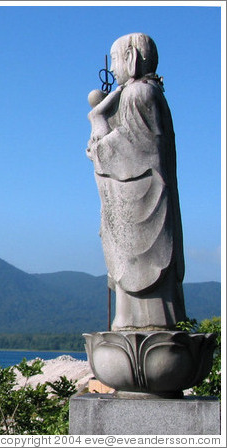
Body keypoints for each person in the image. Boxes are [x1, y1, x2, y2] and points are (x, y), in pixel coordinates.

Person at [86, 33, 186, 331]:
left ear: (130, 59)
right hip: (141, 194)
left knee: (138, 269)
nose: (113, 68)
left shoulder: (137, 95)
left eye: (115, 60)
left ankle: (144, 323)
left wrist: (97, 121)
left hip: (142, 196)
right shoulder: (143, 94)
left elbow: (128, 150)